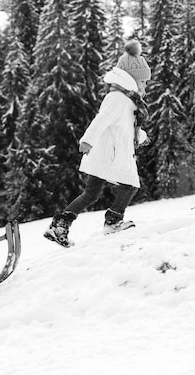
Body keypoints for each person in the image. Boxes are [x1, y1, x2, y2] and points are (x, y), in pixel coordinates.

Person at [44, 40, 151, 248]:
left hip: (107, 154)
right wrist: (87, 140)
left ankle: (59, 226)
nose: (145, 86)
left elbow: (125, 128)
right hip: (108, 155)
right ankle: (113, 221)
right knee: (130, 185)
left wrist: (142, 137)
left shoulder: (126, 99)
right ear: (132, 80)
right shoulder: (118, 98)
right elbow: (101, 120)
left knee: (91, 194)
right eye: (144, 82)